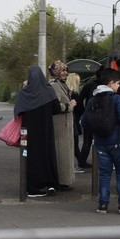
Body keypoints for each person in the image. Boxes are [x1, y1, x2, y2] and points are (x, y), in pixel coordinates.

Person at [81, 68, 120, 214]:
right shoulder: (117, 99)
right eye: (118, 83)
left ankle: (103, 205)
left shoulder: (93, 99)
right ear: (111, 83)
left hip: (100, 142)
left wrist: (96, 131)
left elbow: (85, 121)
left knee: (104, 173)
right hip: (118, 140)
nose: (119, 86)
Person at [14, 66, 62, 198]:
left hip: (29, 131)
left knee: (31, 158)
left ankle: (33, 187)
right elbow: (57, 109)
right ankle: (50, 183)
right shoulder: (48, 90)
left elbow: (18, 111)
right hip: (46, 130)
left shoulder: (24, 93)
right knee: (47, 154)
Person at [48, 60, 76, 189]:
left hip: (64, 124)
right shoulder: (54, 85)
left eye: (66, 70)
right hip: (60, 125)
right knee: (62, 152)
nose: (65, 73)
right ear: (57, 72)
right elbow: (55, 106)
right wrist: (70, 106)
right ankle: (61, 181)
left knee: (65, 152)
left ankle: (63, 180)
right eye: (63, 70)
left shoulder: (59, 84)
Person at [74, 69, 98, 172]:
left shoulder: (88, 86)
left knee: (87, 141)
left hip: (88, 116)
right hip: (102, 118)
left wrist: (84, 112)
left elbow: (79, 100)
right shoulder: (106, 86)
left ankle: (82, 162)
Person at [67, 72, 85, 173]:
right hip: (74, 120)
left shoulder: (66, 91)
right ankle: (80, 163)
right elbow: (80, 108)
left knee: (73, 144)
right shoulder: (76, 93)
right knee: (75, 143)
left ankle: (80, 162)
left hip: (68, 119)